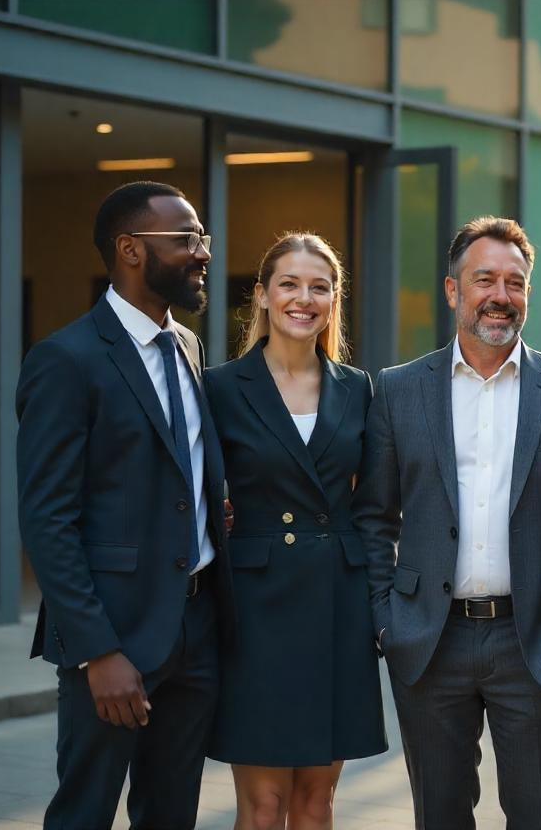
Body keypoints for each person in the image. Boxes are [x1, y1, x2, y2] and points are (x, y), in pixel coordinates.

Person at [353, 216, 541, 829]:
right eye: (484, 278)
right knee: (439, 815)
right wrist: (387, 621)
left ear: (528, 294)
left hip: (534, 639)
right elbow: (374, 517)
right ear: (452, 290)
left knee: (539, 815)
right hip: (429, 639)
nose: (500, 295)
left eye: (514, 283)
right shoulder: (399, 390)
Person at [16, 180, 235, 829]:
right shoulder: (66, 359)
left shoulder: (188, 348)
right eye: (187, 239)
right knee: (84, 814)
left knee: (171, 817)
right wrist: (97, 651)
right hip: (113, 640)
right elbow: (48, 518)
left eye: (204, 239)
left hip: (194, 632)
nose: (202, 254)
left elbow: (175, 472)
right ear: (131, 249)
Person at [205, 232, 387, 828]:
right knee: (262, 806)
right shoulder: (222, 387)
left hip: (338, 602)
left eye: (319, 286)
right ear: (260, 295)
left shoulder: (359, 388)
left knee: (317, 801)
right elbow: (193, 492)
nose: (303, 298)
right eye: (288, 283)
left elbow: (375, 505)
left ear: (334, 300)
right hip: (256, 610)